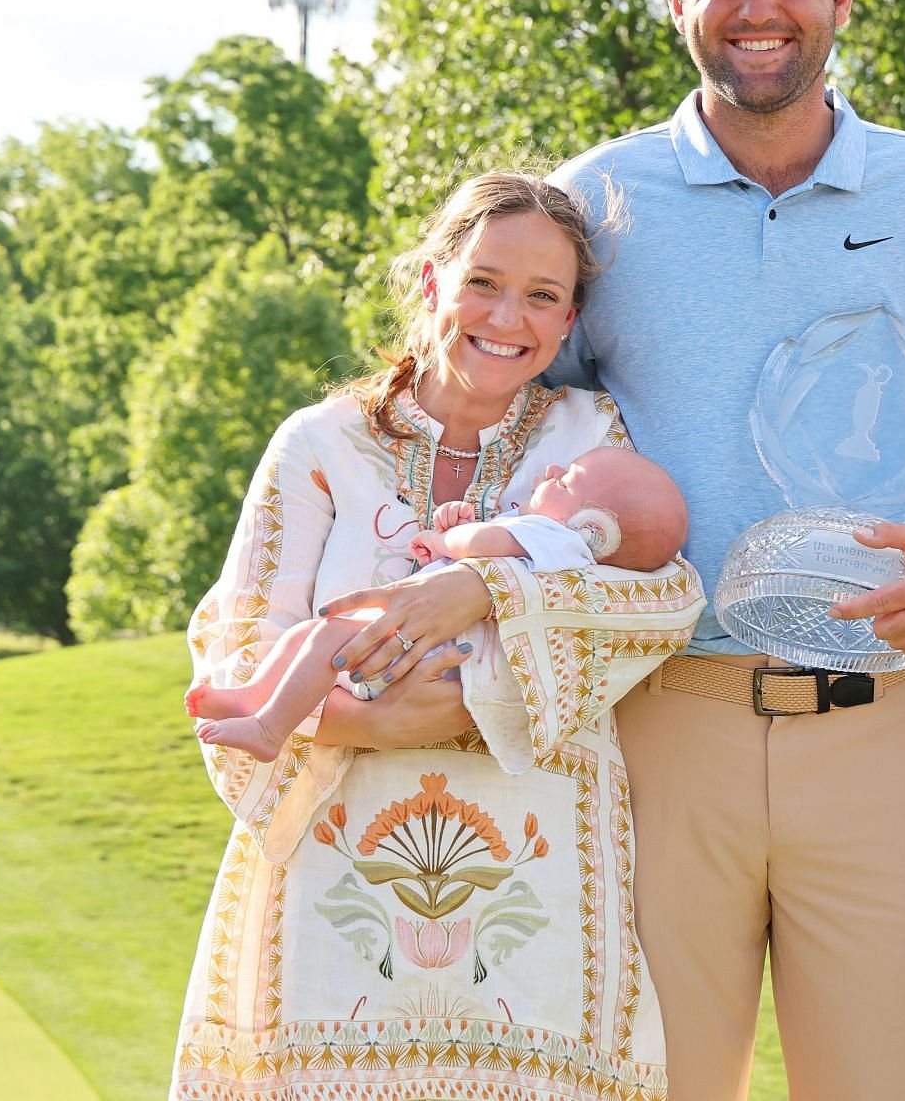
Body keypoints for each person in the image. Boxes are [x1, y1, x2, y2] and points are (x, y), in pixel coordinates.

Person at [540, 0, 905, 1101]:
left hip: (879, 730)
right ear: (676, 2)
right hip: (653, 722)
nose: (755, 5)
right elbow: (508, 428)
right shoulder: (592, 200)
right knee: (638, 1086)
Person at [169, 172, 704, 1101]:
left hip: (537, 898)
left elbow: (658, 605)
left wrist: (478, 592)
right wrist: (367, 724)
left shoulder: (590, 438)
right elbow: (237, 651)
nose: (508, 316)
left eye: (543, 296)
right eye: (483, 281)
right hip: (336, 886)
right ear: (430, 281)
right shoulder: (320, 443)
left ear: (571, 319)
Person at [186, 446, 688, 761]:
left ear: (593, 529)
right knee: (306, 638)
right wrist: (452, 534)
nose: (553, 470)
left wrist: (452, 539)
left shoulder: (560, 542)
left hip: (418, 657)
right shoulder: (548, 542)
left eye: (567, 479)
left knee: (321, 637)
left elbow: (484, 546)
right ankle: (255, 696)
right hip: (420, 649)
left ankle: (270, 727)